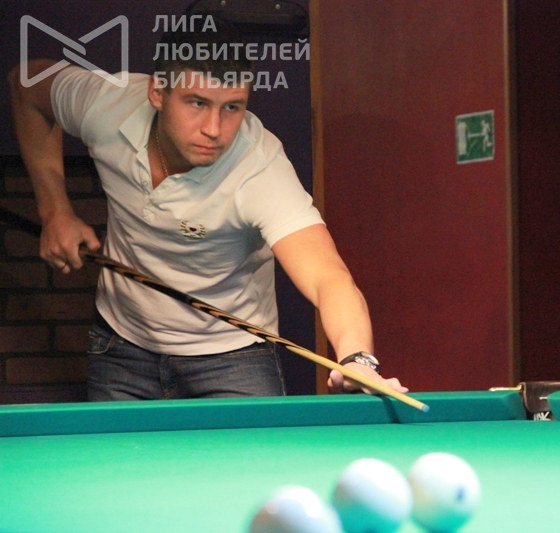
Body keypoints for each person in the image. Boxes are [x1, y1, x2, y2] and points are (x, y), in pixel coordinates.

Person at [8, 17, 406, 400]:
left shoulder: (259, 167)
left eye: (232, 107)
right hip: (122, 344)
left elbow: (328, 277)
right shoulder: (109, 105)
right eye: (197, 103)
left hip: (233, 355)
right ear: (157, 93)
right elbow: (25, 85)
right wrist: (54, 210)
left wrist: (357, 359)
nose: (214, 129)